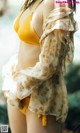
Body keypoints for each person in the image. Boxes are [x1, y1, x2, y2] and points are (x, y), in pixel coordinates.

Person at [2, 0, 78, 133]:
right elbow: (25, 47)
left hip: (42, 98)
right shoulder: (32, 2)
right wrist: (11, 75)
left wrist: (20, 85)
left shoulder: (55, 4)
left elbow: (51, 63)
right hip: (17, 91)